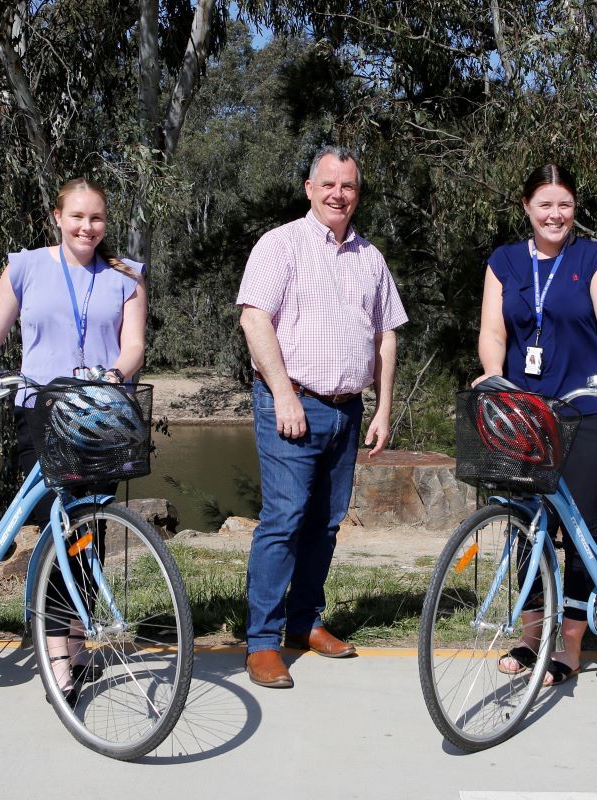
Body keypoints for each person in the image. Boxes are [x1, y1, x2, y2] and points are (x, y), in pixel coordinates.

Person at [0, 177, 148, 701]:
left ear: (107, 223)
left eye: (97, 218)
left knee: (89, 532)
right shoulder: (26, 266)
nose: (87, 227)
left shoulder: (125, 276)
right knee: (58, 528)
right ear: (57, 217)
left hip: (97, 412)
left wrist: (114, 374)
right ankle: (60, 653)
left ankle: (77, 644)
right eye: (77, 216)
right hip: (40, 411)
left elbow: (134, 346)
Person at [235, 146, 408, 689]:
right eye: (328, 184)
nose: (338, 194)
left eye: (349, 186)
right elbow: (254, 319)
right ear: (309, 188)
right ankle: (262, 641)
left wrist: (382, 407)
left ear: (357, 193)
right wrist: (283, 394)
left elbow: (386, 334)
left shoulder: (370, 257)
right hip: (292, 403)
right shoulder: (279, 244)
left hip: (347, 411)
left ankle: (305, 621)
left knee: (324, 525)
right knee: (284, 520)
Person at [473, 164, 597, 686]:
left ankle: (570, 644)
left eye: (564, 205)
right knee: (526, 525)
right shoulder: (504, 262)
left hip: (587, 408)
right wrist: (492, 375)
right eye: (545, 204)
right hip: (526, 412)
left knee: (577, 528)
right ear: (526, 206)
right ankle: (531, 639)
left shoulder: (595, 258)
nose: (555, 214)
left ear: (575, 210)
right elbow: (492, 329)